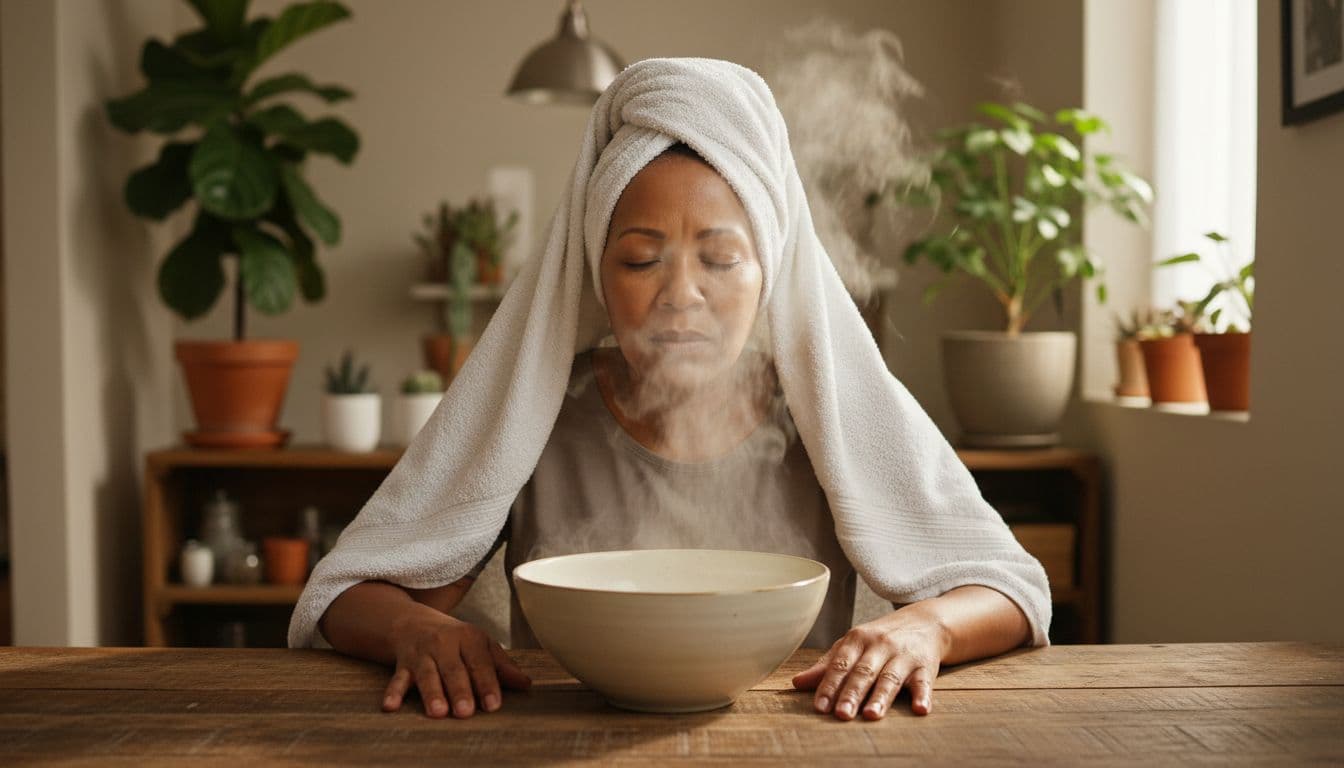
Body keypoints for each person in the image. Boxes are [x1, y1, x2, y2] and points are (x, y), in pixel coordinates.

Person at [290, 58, 1051, 724]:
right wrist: (415, 631)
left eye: (720, 259)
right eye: (640, 259)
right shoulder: (537, 410)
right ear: (596, 273)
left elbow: (1012, 588)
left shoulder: (827, 414)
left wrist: (929, 629)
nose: (679, 295)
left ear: (769, 272)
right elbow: (348, 591)